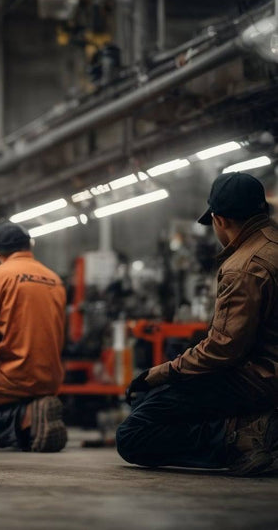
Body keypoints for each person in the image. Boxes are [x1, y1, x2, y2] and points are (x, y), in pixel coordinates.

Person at [117, 172, 278, 475]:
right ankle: (249, 425)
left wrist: (161, 373)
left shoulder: (243, 266)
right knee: (154, 405)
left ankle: (247, 438)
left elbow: (223, 349)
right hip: (265, 375)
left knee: (134, 433)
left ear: (220, 220)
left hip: (261, 379)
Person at [0, 221, 68, 452]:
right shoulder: (55, 280)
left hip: (12, 378)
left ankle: (23, 418)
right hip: (50, 379)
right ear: (29, 246)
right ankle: (31, 423)